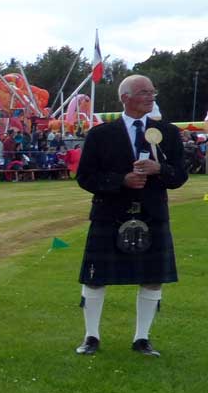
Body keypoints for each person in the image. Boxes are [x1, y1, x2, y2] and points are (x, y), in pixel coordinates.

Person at [74, 74, 187, 357]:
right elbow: (85, 177)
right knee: (95, 277)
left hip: (152, 213)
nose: (151, 97)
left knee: (152, 278)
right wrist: (120, 180)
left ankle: (142, 339)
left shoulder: (168, 133)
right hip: (110, 214)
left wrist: (159, 169)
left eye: (152, 91)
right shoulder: (100, 135)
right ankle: (91, 337)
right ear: (125, 97)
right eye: (143, 92)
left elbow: (180, 175)